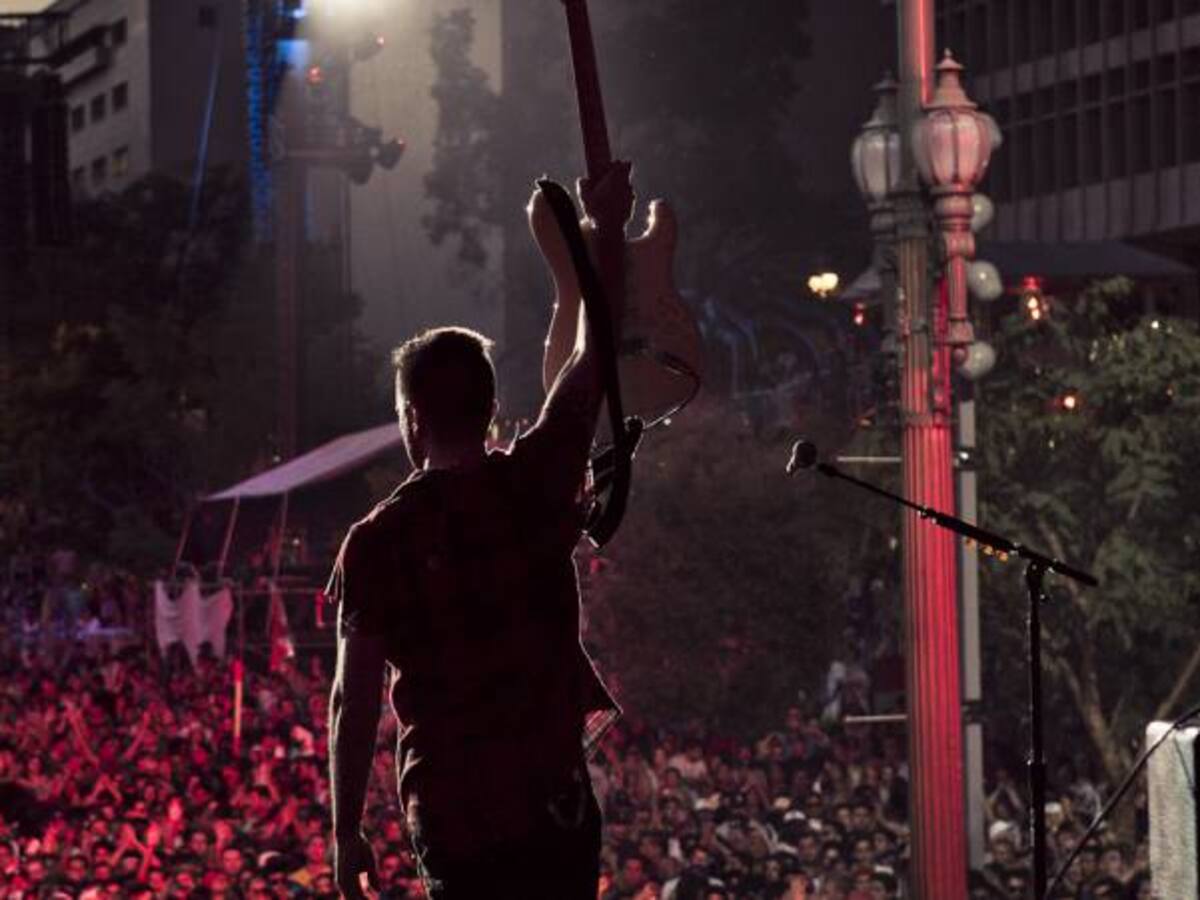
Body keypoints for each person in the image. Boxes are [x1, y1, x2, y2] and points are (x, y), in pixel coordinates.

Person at [327, 163, 634, 899]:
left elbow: (354, 698)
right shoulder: (539, 477)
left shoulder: (377, 542)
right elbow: (599, 348)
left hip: (458, 817)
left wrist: (344, 833)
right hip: (551, 804)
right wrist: (609, 230)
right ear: (492, 411)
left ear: (410, 418)